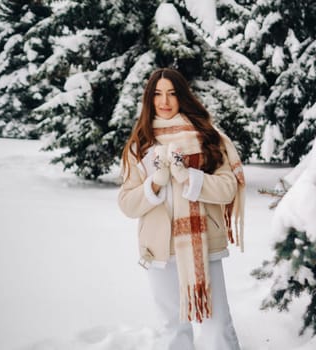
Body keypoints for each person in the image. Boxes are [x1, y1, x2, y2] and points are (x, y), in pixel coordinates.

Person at [118, 67, 245, 350]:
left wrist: (190, 177)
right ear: (149, 99)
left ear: (182, 97)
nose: (165, 101)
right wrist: (154, 183)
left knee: (217, 326)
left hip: (205, 248)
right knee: (172, 329)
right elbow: (127, 203)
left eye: (172, 94)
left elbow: (227, 188)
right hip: (159, 250)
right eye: (158, 94)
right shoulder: (139, 145)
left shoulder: (207, 138)